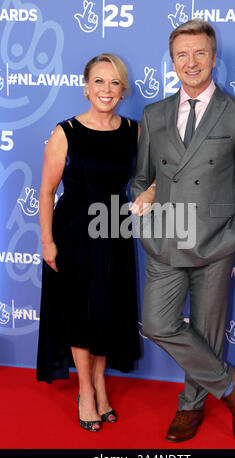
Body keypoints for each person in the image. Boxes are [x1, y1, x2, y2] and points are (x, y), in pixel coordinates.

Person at [131, 19, 235, 442]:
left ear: (213, 56)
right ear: (172, 61)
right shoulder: (153, 115)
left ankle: (190, 407)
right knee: (156, 322)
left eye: (199, 53)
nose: (191, 62)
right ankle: (229, 383)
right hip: (165, 240)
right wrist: (145, 214)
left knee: (207, 331)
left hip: (215, 242)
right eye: (182, 55)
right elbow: (141, 178)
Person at [36, 53, 155, 431]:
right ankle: (86, 391)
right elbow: (46, 192)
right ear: (86, 87)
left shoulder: (134, 131)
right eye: (99, 82)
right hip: (72, 234)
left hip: (114, 231)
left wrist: (151, 190)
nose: (106, 89)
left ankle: (101, 385)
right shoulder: (65, 132)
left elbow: (159, 174)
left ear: (123, 90)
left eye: (114, 82)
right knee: (80, 313)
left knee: (106, 312)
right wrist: (46, 242)